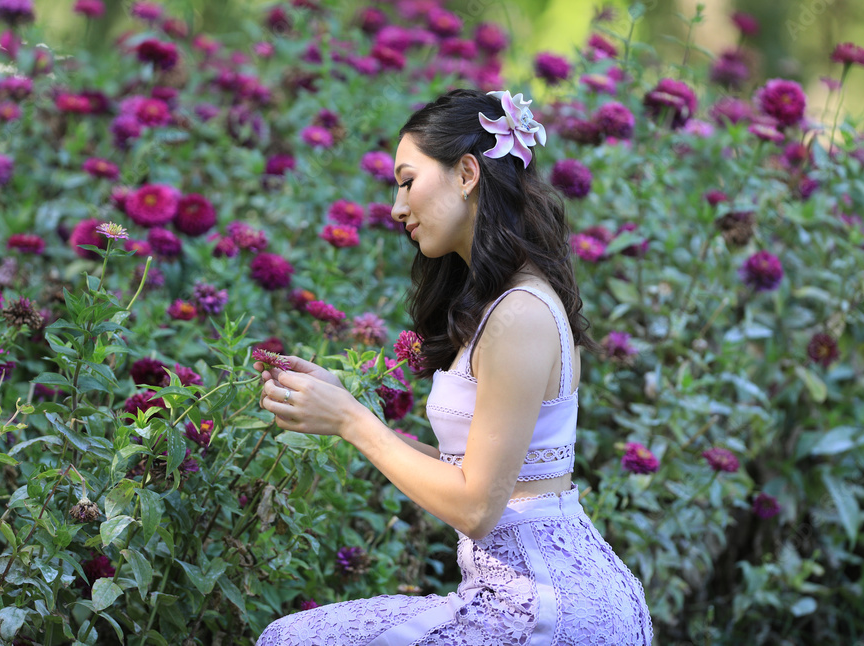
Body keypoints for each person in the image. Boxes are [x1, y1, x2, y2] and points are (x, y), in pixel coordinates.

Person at [255, 88, 653, 645]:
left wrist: (352, 421)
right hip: (526, 594)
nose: (397, 207)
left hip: (546, 609)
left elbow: (476, 507)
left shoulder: (520, 314)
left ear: (467, 173)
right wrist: (339, 404)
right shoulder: (505, 304)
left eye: (407, 180)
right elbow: (475, 480)